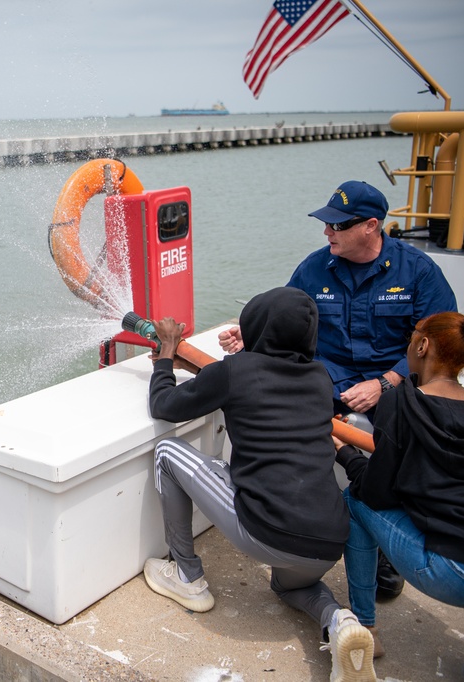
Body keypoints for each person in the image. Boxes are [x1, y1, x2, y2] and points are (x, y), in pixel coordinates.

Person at [218, 179, 457, 599]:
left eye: (337, 226)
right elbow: (284, 320)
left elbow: (441, 343)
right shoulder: (313, 268)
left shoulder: (418, 272)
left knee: (404, 442)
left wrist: (386, 382)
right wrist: (249, 338)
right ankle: (283, 514)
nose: (326, 233)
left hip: (394, 382)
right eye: (326, 224)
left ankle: (387, 551)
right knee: (271, 412)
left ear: (371, 226)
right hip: (323, 378)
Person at [145, 287, 377, 681]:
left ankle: (187, 576)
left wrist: (166, 352)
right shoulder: (320, 378)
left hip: (267, 528)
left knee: (167, 452)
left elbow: (163, 406)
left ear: (256, 325)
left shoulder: (234, 371)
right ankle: (338, 619)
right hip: (326, 541)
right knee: (288, 588)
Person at [335, 305, 464, 682]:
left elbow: (376, 491)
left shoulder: (402, 403)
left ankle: (365, 626)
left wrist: (343, 452)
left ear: (422, 347)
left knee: (354, 501)